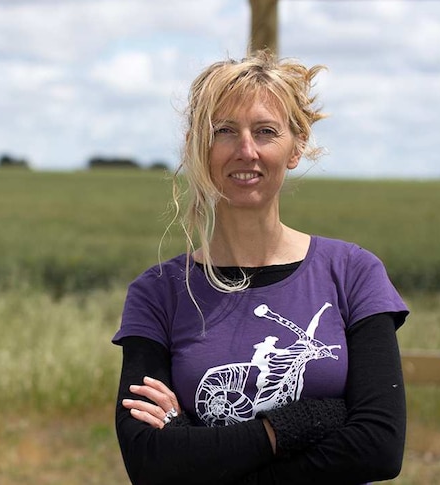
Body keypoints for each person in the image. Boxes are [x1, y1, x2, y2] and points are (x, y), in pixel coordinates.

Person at [112, 50, 409, 485]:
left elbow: (379, 448)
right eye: (225, 131)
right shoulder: (159, 293)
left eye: (266, 132)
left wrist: (194, 446)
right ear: (200, 145)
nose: (246, 150)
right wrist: (289, 427)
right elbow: (149, 462)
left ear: (296, 147)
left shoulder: (352, 273)